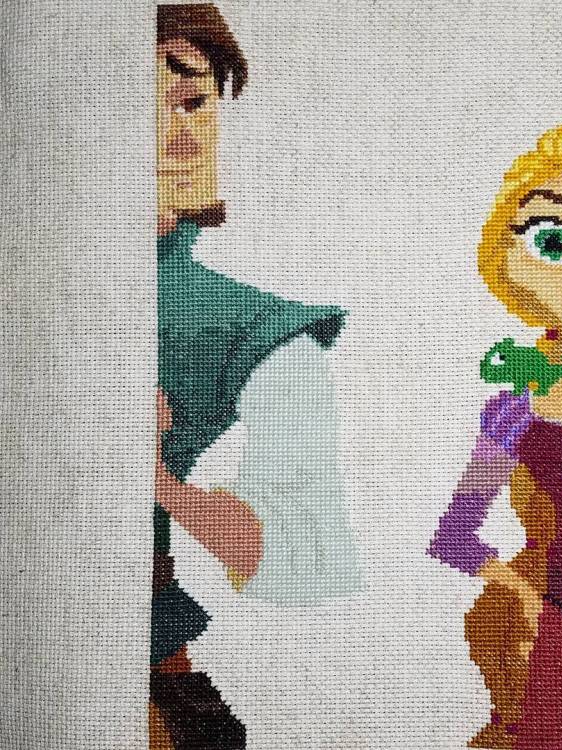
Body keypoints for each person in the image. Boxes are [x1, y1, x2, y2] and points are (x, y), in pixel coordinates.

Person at [151, 5, 361, 748]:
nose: (178, 133)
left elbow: (300, 555)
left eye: (193, 100)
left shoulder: (253, 328)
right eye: (135, 108)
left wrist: (156, 479)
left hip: (142, 668)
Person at [428, 113, 562, 749]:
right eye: (555, 241)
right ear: (514, 263)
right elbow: (454, 535)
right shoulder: (519, 406)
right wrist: (524, 596)